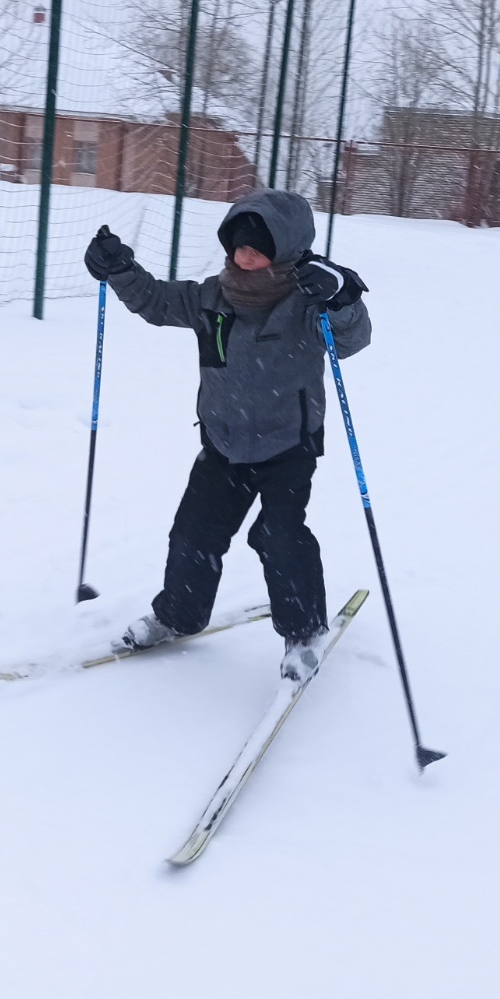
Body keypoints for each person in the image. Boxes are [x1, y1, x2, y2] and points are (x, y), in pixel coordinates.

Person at [83, 189, 370, 682]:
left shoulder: (308, 300)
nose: (245, 255)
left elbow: (353, 339)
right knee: (194, 534)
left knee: (279, 537)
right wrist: (120, 271)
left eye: (258, 247)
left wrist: (342, 297)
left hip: (288, 444)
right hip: (223, 442)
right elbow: (154, 301)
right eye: (238, 246)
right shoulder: (211, 297)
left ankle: (303, 634)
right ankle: (178, 615)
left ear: (285, 248)